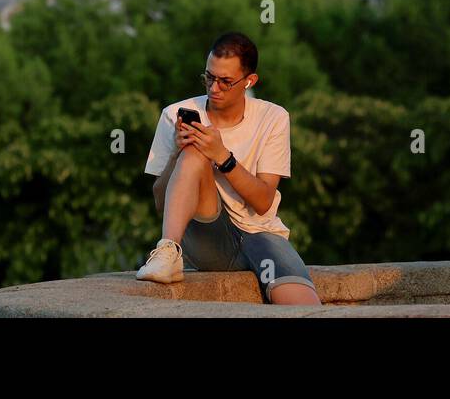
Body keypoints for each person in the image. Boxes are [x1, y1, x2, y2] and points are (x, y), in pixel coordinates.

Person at [136, 31, 320, 305]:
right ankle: (167, 252)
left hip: (261, 235)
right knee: (193, 153)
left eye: (225, 82)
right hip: (207, 237)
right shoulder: (175, 114)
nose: (214, 88)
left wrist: (223, 157)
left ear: (249, 81)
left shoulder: (273, 117)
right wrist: (177, 152)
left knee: (302, 305)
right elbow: (162, 204)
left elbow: (263, 201)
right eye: (209, 77)